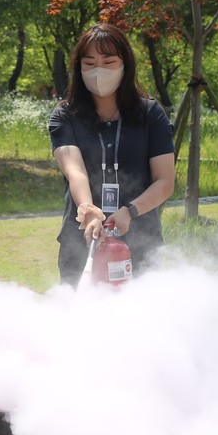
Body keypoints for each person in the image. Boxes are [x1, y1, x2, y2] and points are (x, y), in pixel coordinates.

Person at [49, 23, 175, 284]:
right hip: (81, 239)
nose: (99, 70)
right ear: (78, 68)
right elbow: (75, 171)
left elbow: (165, 182)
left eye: (109, 61)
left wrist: (129, 211)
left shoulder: (151, 114)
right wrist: (89, 210)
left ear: (124, 64)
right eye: (90, 63)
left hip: (142, 242)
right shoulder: (64, 115)